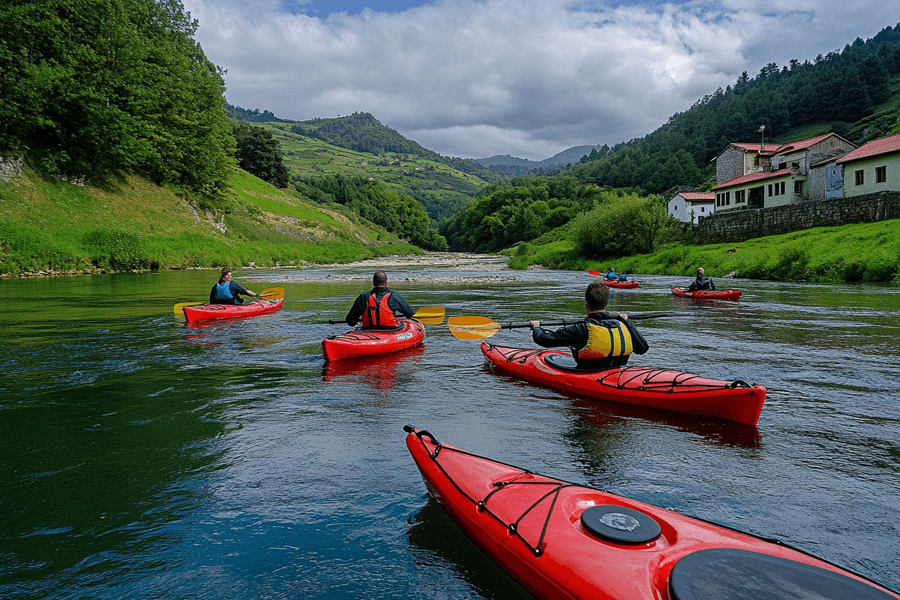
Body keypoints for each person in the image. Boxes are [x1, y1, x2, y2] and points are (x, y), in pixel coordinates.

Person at [529, 281, 649, 369]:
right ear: (606, 303)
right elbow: (642, 348)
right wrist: (627, 322)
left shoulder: (580, 329)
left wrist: (536, 327)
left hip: (587, 372)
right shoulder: (622, 324)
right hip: (616, 371)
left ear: (586, 304)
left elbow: (543, 339)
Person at [345, 270, 414, 329]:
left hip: (367, 330)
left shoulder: (363, 297)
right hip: (390, 330)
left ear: (373, 283)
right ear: (386, 282)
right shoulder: (394, 296)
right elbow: (410, 314)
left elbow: (350, 321)